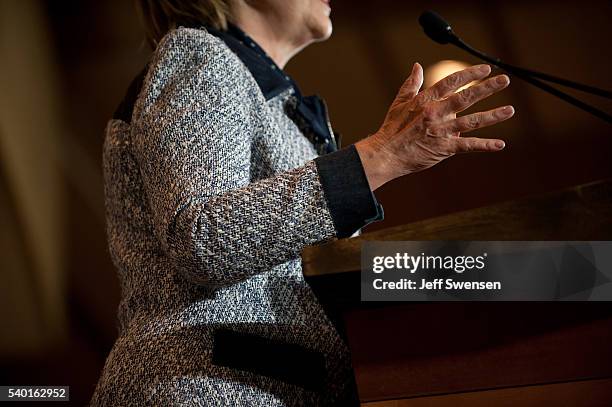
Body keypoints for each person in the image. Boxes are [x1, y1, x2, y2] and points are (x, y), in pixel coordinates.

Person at [90, 0, 514, 405]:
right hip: (206, 383)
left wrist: (480, 273)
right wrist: (381, 157)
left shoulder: (276, 105)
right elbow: (201, 237)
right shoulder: (199, 54)